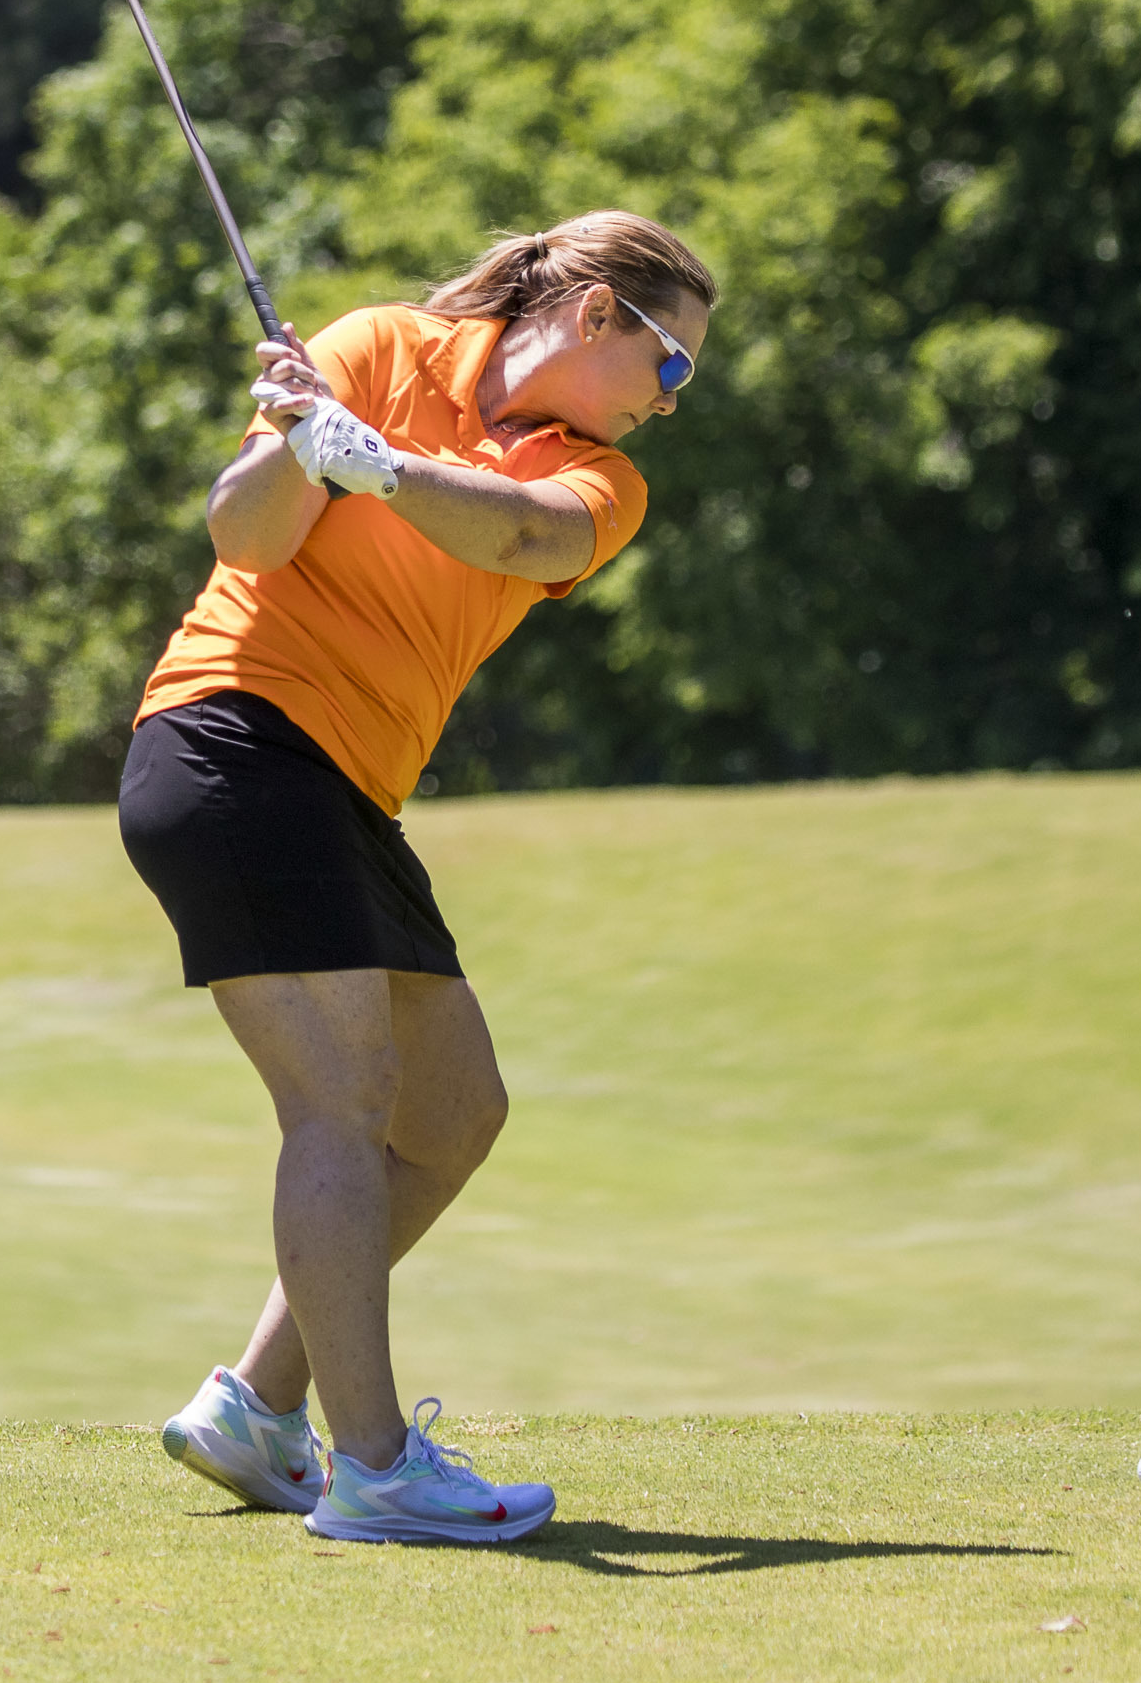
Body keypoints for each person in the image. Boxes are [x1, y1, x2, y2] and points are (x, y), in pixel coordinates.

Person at [122, 212, 715, 1546]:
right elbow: (244, 538)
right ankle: (376, 1468)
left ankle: (254, 1410)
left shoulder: (599, 477)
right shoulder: (377, 348)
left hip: (346, 788)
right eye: (672, 364)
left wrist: (379, 466)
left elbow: (525, 541)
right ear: (600, 314)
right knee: (340, 1101)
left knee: (452, 1111)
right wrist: (297, 442)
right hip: (234, 737)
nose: (674, 400)